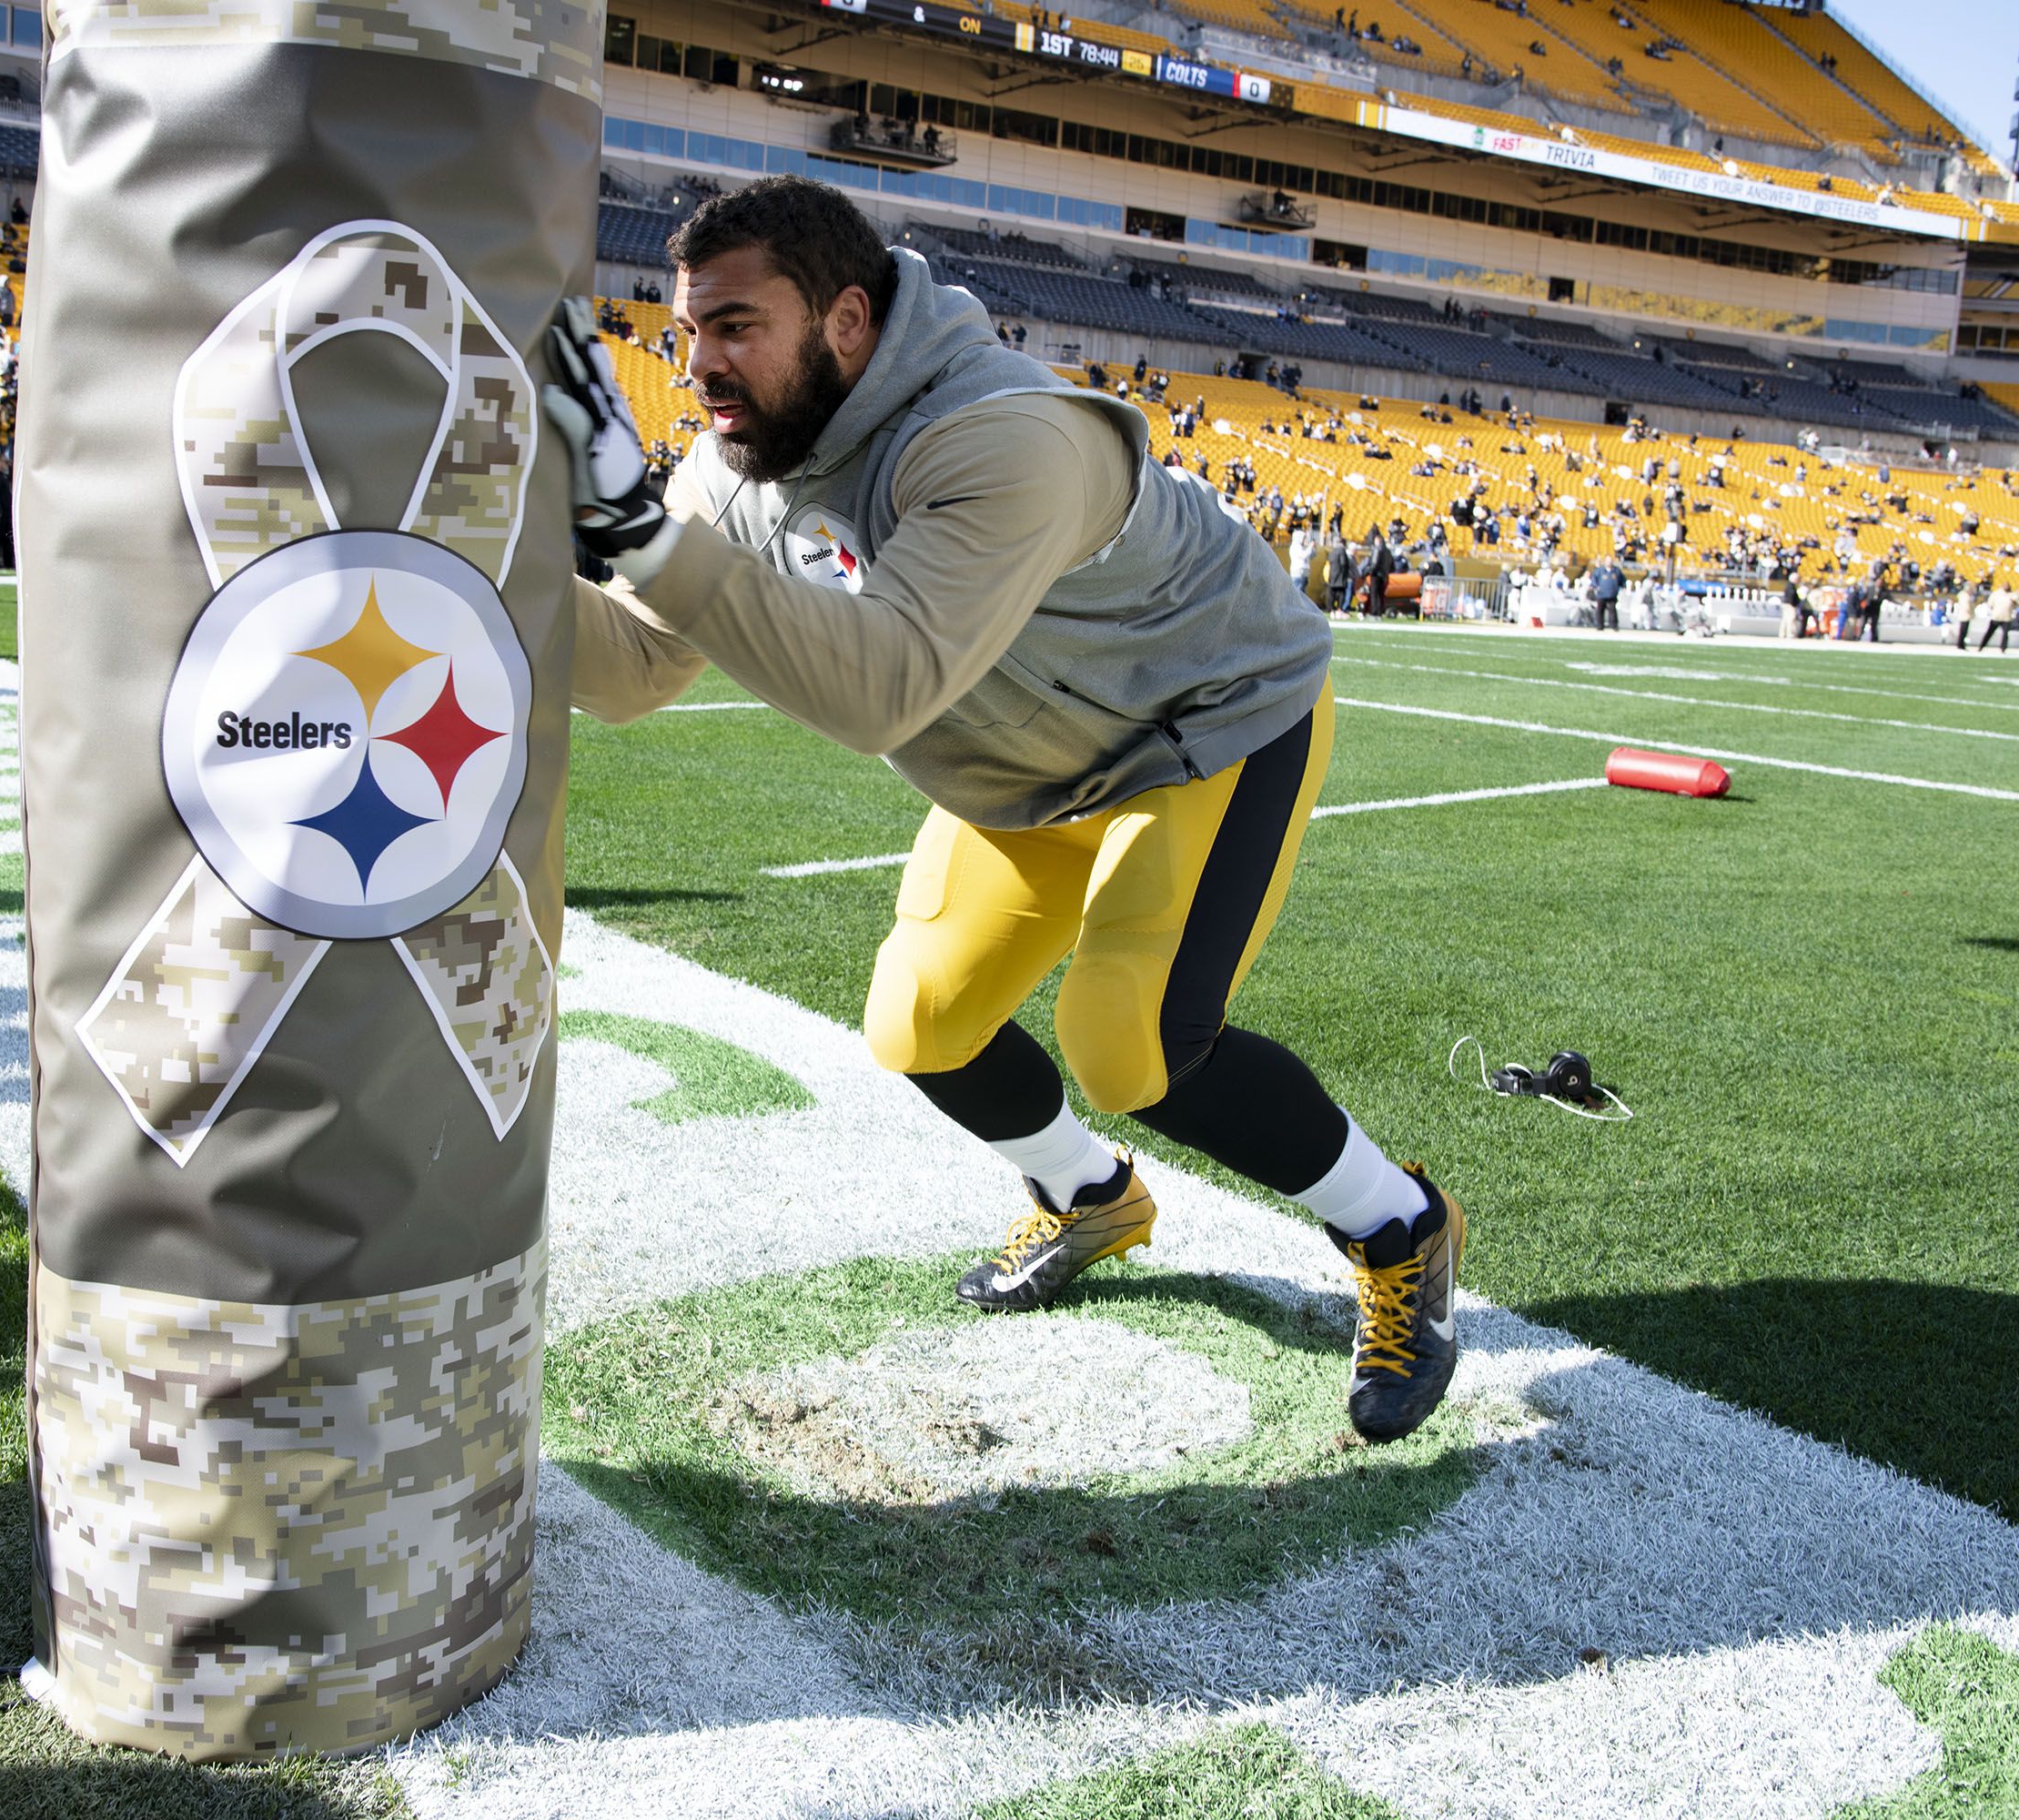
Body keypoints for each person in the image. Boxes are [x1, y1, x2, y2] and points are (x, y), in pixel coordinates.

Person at [546, 177, 1469, 1446]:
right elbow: (639, 669)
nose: (697, 364)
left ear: (849, 322)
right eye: (686, 330)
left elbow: (881, 689)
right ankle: (1091, 1196)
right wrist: (485, 560)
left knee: (1128, 1043)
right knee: (922, 1023)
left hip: (1196, 728)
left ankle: (1396, 1224)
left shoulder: (1000, 434)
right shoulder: (736, 467)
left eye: (736, 327)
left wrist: (641, 532)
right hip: (1024, 773)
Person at [1586, 554, 1622, 631]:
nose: (1609, 562)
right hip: (1601, 594)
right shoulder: (1599, 571)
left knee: (1612, 610)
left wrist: (1619, 588)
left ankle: (1614, 625)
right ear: (1605, 562)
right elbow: (1594, 580)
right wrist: (1596, 587)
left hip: (1612, 594)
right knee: (1600, 610)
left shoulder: (1616, 571)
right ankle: (1600, 625)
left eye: (1611, 561)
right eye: (1608, 561)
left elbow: (1622, 580)